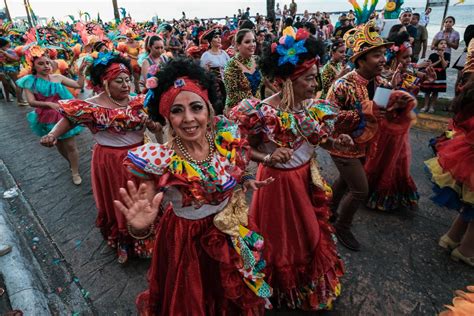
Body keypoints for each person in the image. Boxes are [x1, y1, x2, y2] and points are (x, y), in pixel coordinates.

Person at [115, 58, 273, 315]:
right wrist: (139, 227)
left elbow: (233, 171)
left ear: (209, 109)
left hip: (231, 230)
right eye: (177, 111)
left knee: (231, 294)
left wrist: (244, 180)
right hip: (187, 241)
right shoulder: (160, 160)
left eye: (196, 107)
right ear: (167, 116)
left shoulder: (224, 138)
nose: (188, 119)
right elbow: (143, 216)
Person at [229, 29, 347, 311]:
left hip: (306, 180)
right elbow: (244, 147)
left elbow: (320, 140)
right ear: (289, 82)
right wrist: (267, 158)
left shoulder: (314, 108)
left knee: (309, 234)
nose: (314, 83)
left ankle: (305, 288)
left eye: (315, 76)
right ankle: (279, 291)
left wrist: (336, 141)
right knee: (278, 243)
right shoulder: (262, 113)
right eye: (308, 78)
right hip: (276, 187)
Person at [40, 52, 160, 264]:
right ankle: (125, 243)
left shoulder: (140, 102)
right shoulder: (91, 106)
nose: (126, 85)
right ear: (105, 82)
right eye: (118, 81)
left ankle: (148, 239)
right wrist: (52, 135)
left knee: (144, 200)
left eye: (127, 80)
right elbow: (69, 120)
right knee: (120, 201)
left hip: (141, 158)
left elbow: (158, 126)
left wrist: (154, 125)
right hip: (110, 162)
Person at [326, 21, 393, 251]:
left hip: (366, 144)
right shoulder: (342, 85)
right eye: (376, 55)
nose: (383, 59)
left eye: (383, 54)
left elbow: (383, 113)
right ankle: (342, 227)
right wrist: (364, 111)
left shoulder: (382, 82)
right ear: (361, 59)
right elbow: (327, 116)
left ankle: (328, 212)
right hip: (342, 144)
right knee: (360, 190)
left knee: (345, 181)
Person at [364, 31, 435, 211]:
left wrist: (427, 78)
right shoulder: (384, 74)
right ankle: (373, 194)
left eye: (410, 57)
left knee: (399, 160)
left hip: (401, 128)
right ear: (396, 57)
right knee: (382, 160)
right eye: (405, 57)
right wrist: (392, 88)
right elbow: (378, 106)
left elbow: (422, 83)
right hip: (385, 127)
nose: (408, 61)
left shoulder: (410, 70)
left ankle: (394, 195)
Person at [16, 46, 84, 185]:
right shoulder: (30, 81)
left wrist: (81, 72)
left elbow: (78, 85)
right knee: (58, 144)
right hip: (46, 117)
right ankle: (71, 163)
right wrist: (49, 104)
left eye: (47, 62)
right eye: (40, 64)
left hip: (64, 114)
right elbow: (31, 102)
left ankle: (75, 171)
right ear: (33, 66)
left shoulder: (57, 77)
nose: (46, 66)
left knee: (70, 145)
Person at [426, 79, 474, 267]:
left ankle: (451, 238)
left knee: (469, 205)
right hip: (469, 158)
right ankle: (466, 251)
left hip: (466, 155)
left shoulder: (469, 94)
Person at [224, 29, 262, 108]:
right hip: (237, 109)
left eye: (253, 41)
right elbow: (234, 95)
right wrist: (261, 102)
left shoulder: (257, 59)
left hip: (258, 106)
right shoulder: (231, 65)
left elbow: (266, 81)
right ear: (238, 45)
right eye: (247, 42)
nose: (252, 44)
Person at [200, 27, 230, 114]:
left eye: (219, 37)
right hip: (215, 87)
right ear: (210, 41)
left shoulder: (224, 53)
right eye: (216, 37)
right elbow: (202, 73)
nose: (219, 39)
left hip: (227, 85)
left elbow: (230, 66)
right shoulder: (206, 56)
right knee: (218, 108)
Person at [420, 39, 450, 113]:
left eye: (445, 43)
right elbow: (429, 65)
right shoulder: (432, 55)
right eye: (441, 43)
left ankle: (431, 107)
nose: (443, 45)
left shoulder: (447, 55)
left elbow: (445, 66)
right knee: (427, 91)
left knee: (435, 91)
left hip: (440, 75)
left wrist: (442, 57)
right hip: (431, 73)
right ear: (437, 46)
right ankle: (426, 105)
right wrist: (438, 61)